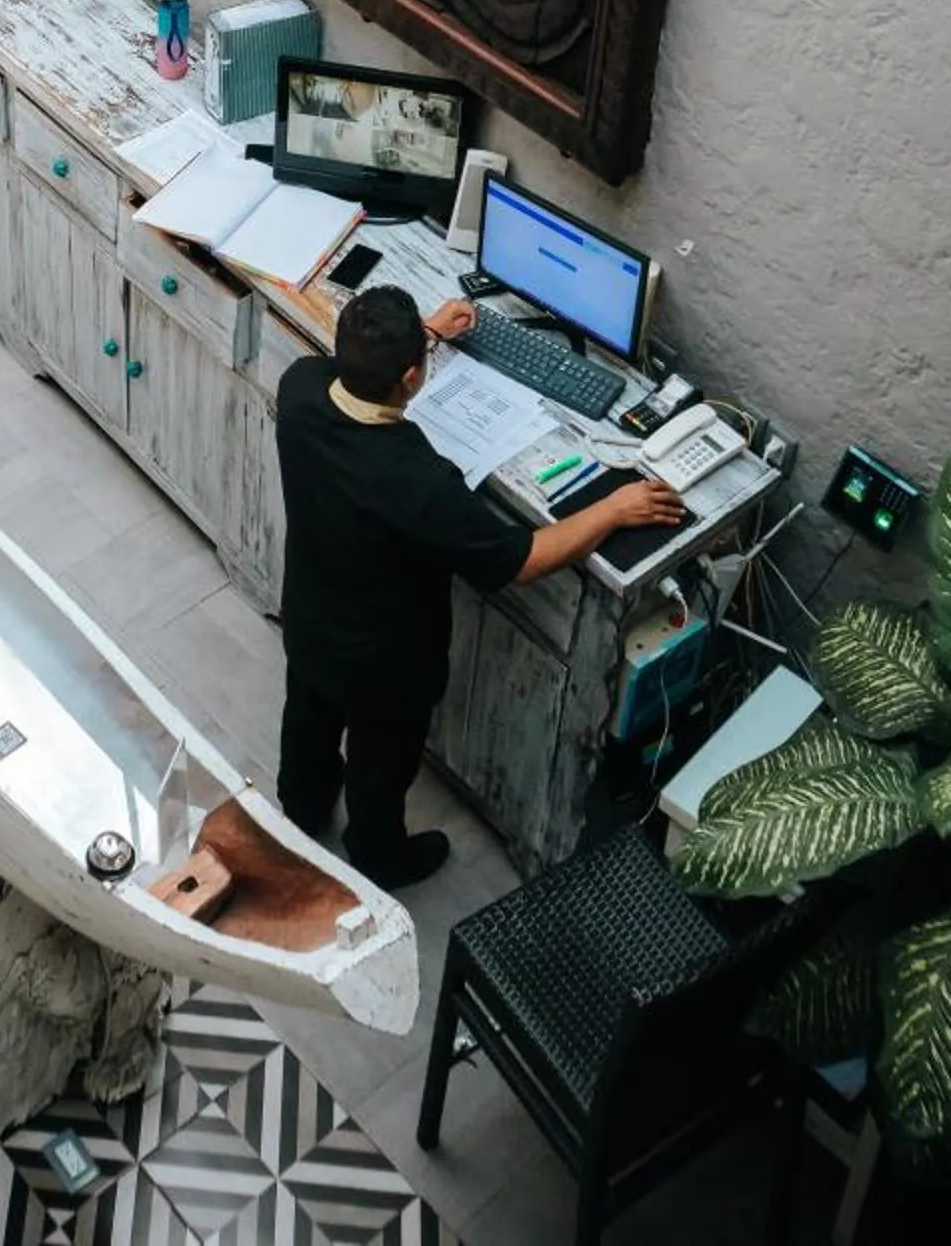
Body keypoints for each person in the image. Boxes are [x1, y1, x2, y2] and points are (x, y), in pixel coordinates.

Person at [276, 283, 686, 889]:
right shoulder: (417, 482)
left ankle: (302, 806)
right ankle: (377, 854)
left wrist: (428, 336)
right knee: (379, 762)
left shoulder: (301, 387)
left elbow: (346, 370)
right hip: (384, 667)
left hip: (311, 616)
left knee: (308, 716)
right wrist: (613, 508)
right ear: (412, 379)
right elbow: (523, 558)